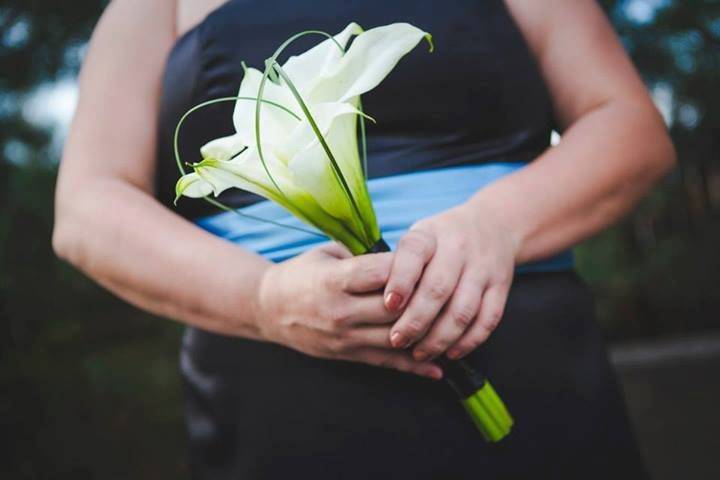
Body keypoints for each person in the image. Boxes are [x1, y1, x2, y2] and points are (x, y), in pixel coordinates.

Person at [53, 0, 675, 478]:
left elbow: (629, 125)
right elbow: (87, 206)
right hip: (273, 385)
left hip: (525, 348)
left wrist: (496, 224)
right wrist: (264, 298)